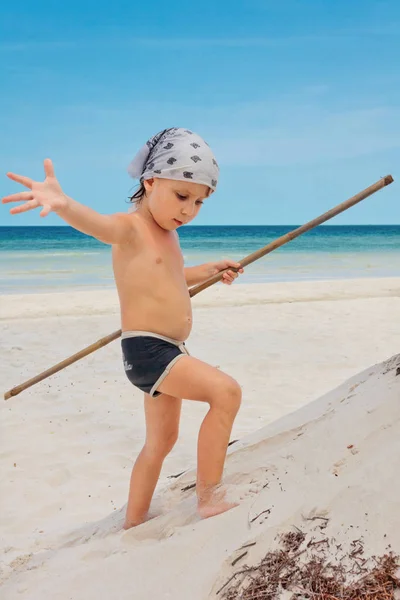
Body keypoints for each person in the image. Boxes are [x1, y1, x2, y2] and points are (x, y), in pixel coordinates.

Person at [2, 127, 244, 529]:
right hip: (149, 350)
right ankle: (209, 498)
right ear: (150, 181)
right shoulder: (130, 229)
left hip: (169, 350)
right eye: (182, 195)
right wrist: (62, 204)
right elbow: (97, 224)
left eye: (199, 202)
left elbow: (172, 278)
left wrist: (211, 270)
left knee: (161, 441)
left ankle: (133, 521)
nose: (188, 210)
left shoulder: (168, 237)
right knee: (226, 392)